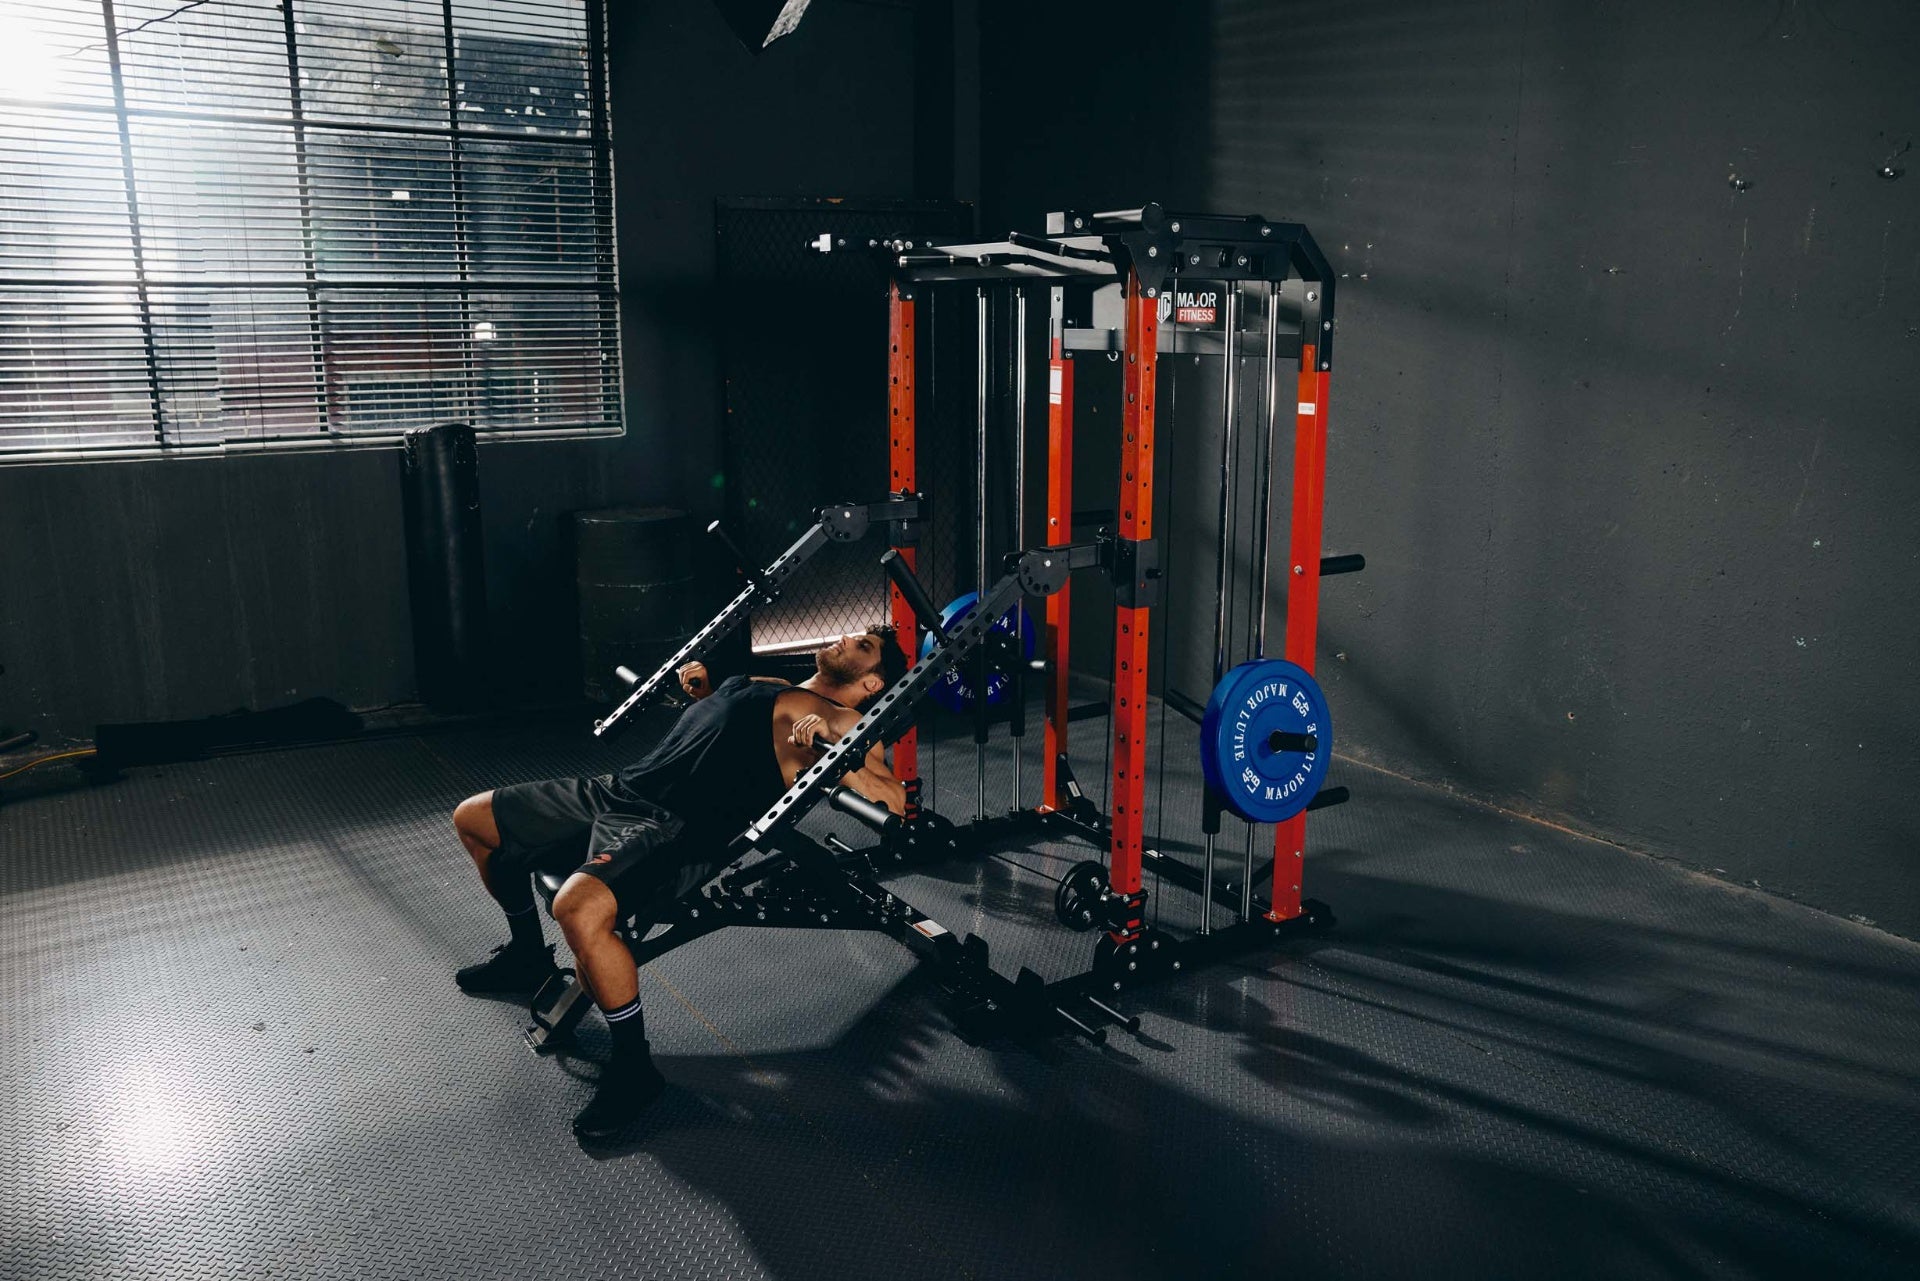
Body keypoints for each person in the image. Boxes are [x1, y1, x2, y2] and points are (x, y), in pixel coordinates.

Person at [450, 628, 909, 1141]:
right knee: (474, 819)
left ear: (872, 683)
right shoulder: (768, 681)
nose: (847, 639)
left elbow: (893, 803)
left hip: (671, 830)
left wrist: (840, 754)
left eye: (864, 646)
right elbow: (728, 742)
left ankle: (634, 1069)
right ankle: (527, 957)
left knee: (576, 907)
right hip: (618, 790)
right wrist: (704, 698)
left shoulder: (844, 722)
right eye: (856, 635)